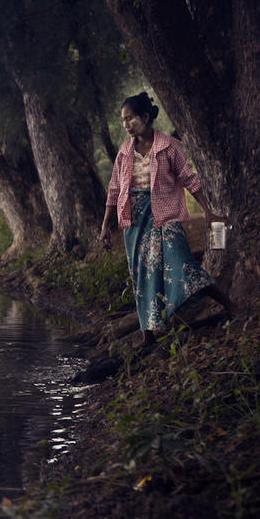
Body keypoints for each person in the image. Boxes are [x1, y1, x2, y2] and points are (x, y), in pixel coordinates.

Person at [99, 92, 238, 348]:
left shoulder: (169, 145)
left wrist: (208, 211)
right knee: (142, 274)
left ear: (146, 116)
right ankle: (148, 335)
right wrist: (105, 227)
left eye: (130, 118)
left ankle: (230, 305)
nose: (126, 124)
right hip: (134, 219)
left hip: (165, 215)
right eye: (123, 121)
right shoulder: (124, 151)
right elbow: (114, 189)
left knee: (182, 262)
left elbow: (189, 178)